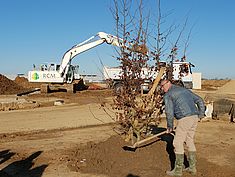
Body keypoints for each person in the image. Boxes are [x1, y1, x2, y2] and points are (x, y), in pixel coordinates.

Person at [160, 79, 205, 176]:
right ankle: (192, 168)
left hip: (184, 119)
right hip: (194, 118)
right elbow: (200, 100)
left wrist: (170, 126)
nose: (162, 89)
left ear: (168, 84)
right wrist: (201, 114)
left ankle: (177, 171)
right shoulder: (185, 90)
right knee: (189, 141)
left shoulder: (168, 94)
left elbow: (169, 112)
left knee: (177, 142)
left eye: (162, 86)